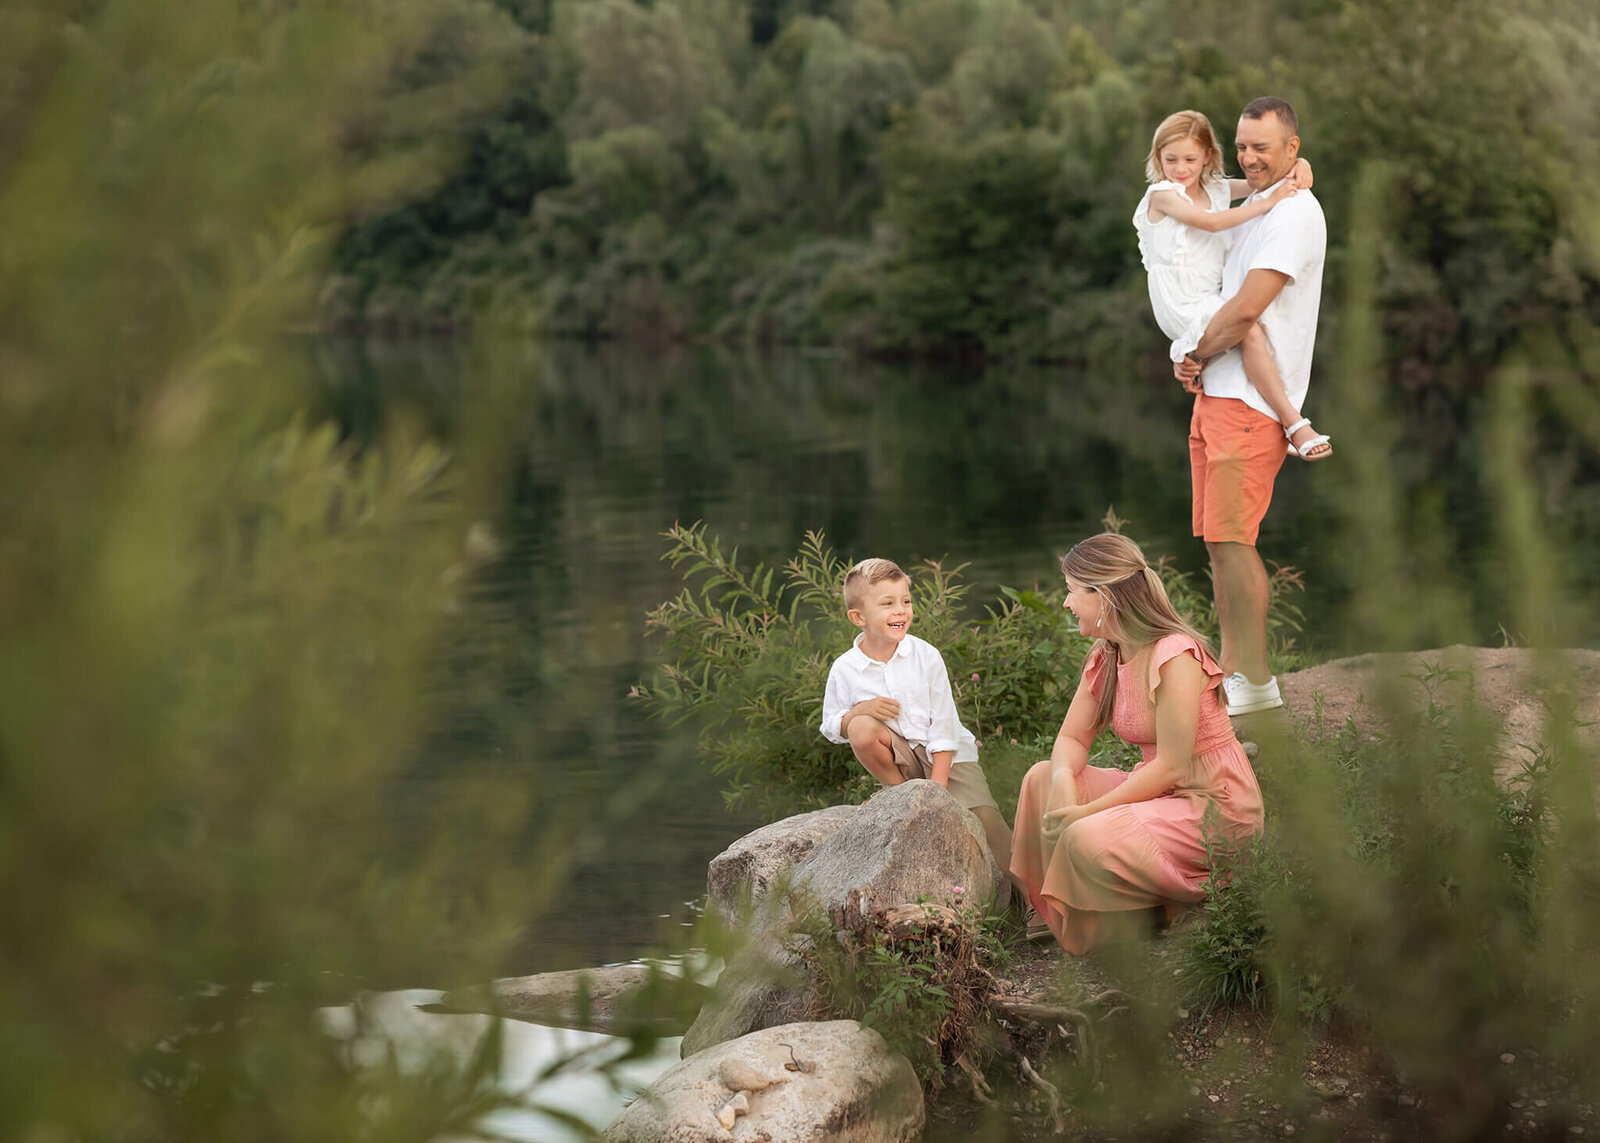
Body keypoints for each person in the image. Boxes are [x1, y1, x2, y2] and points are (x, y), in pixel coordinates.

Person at [1010, 533, 1264, 953]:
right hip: (1162, 795)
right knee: (1039, 779)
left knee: (1083, 835)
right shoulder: (1107, 654)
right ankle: (1054, 910)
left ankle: (1162, 910)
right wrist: (1060, 779)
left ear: (1105, 596)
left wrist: (1086, 812)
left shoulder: (1174, 653)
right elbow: (1073, 737)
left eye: (1072, 592)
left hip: (1213, 806)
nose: (1066, 603)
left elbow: (1173, 767)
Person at [1173, 96, 1328, 716]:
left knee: (1235, 542)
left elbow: (1244, 311)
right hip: (1218, 396)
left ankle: (1256, 682)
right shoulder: (1252, 204)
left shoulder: (1296, 217)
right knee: (1217, 542)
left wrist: (1196, 353)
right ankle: (1233, 670)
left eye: (1263, 146)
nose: (1249, 157)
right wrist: (1200, 363)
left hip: (1249, 404)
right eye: (1242, 145)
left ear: (1293, 148)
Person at [1135, 109, 1330, 463]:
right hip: (1180, 300)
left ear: (1208, 156)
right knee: (1249, 331)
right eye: (1170, 159)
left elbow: (1261, 181)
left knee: (1245, 330)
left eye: (1190, 159)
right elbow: (1209, 224)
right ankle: (1293, 421)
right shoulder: (1162, 195)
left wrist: (1298, 162)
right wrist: (1269, 204)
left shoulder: (1214, 188)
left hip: (1207, 295)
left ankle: (1281, 421)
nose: (1180, 169)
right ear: (1157, 159)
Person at [820, 557, 1014, 899]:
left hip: (949, 758)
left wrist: (936, 790)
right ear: (858, 617)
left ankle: (1033, 899)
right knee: (862, 727)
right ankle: (899, 795)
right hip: (902, 759)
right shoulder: (845, 668)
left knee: (989, 821)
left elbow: (944, 726)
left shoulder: (926, 656)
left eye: (906, 601)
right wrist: (860, 710)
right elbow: (832, 725)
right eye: (887, 604)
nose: (901, 611)